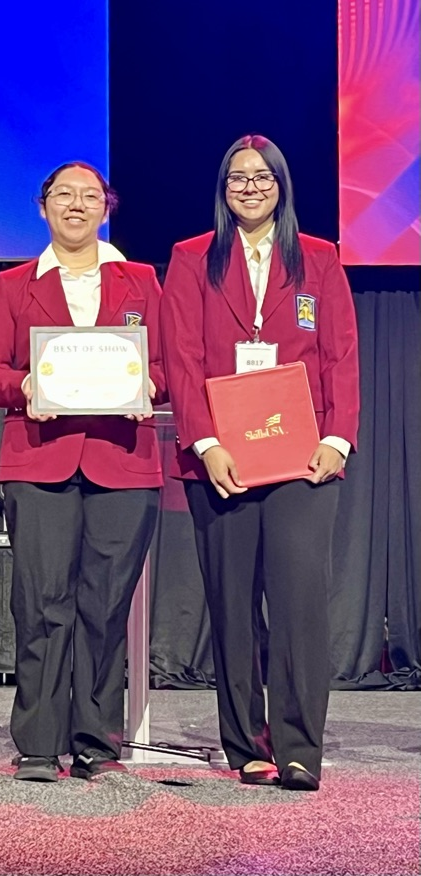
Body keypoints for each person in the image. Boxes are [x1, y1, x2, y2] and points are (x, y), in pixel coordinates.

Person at [160, 134, 359, 791]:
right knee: (233, 604)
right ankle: (247, 744)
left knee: (301, 606)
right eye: (237, 178)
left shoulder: (320, 259)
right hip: (222, 458)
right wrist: (204, 443)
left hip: (302, 457)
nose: (249, 187)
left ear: (281, 185)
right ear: (224, 189)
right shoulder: (192, 259)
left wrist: (338, 441)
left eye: (262, 177)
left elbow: (341, 357)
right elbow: (181, 359)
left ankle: (301, 748)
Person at [0, 161, 165, 781]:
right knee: (40, 602)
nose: (76, 206)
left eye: (90, 196)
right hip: (40, 461)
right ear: (42, 207)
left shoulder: (141, 280)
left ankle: (96, 741)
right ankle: (36, 741)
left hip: (123, 463)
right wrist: (27, 382)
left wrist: (149, 383)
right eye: (63, 195)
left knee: (105, 606)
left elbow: (165, 365)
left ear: (107, 207)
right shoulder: (14, 285)